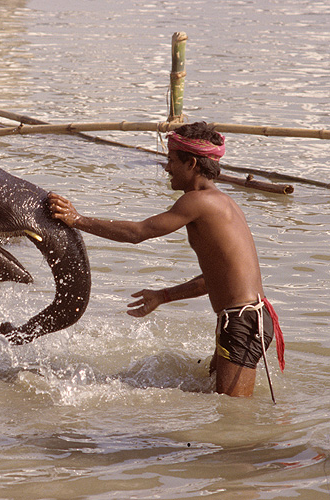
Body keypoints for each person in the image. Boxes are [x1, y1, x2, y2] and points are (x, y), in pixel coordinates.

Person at [48, 122, 284, 398]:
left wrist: (78, 220)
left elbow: (138, 233)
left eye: (171, 160)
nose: (166, 168)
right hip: (244, 319)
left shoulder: (196, 201)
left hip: (242, 322)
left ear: (191, 163)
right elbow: (215, 279)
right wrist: (163, 296)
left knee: (235, 420)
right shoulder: (222, 203)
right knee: (214, 399)